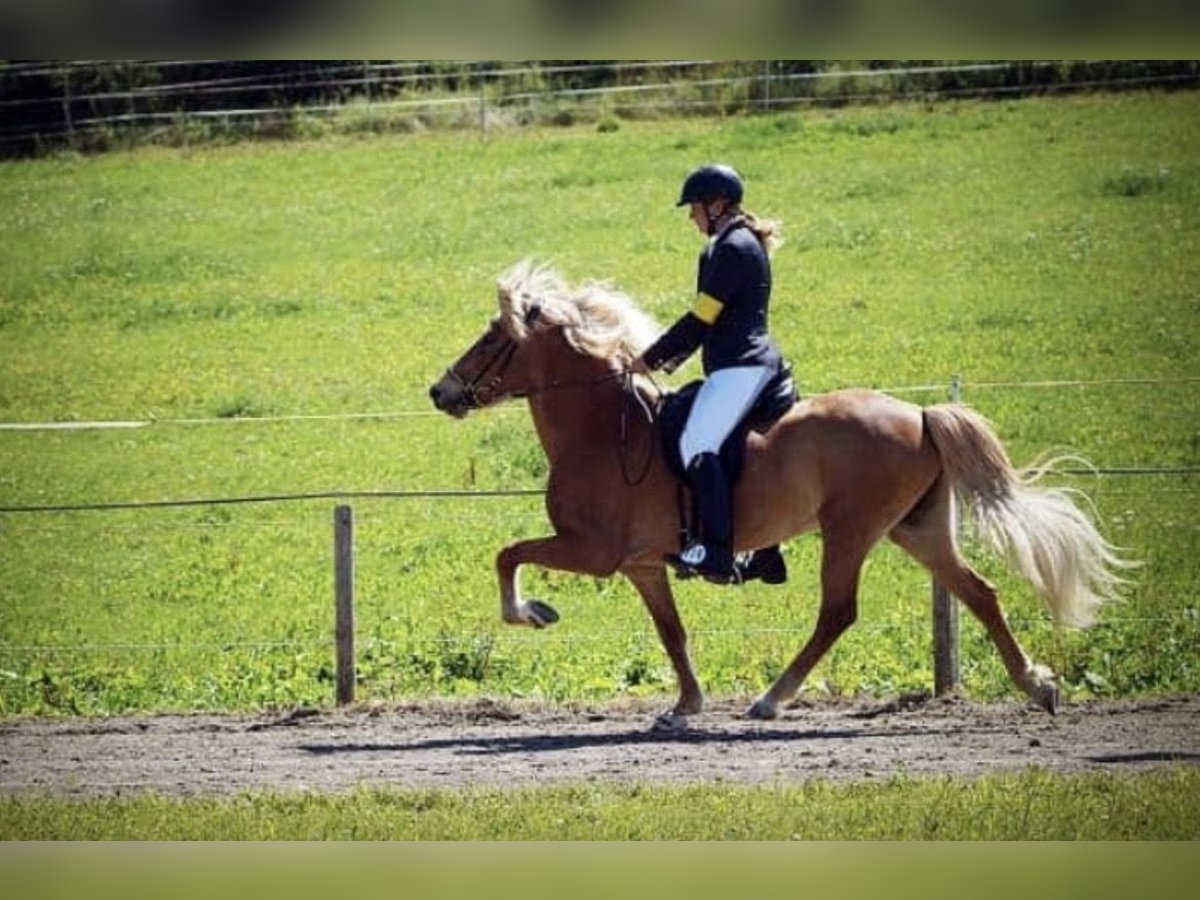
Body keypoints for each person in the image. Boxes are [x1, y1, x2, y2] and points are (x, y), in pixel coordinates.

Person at [631, 163, 787, 582]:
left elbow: (702, 319)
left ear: (717, 205)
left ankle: (716, 551)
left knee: (697, 443)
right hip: (741, 364)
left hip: (741, 366)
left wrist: (650, 359)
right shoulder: (735, 242)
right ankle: (766, 553)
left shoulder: (731, 248)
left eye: (694, 207)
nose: (691, 216)